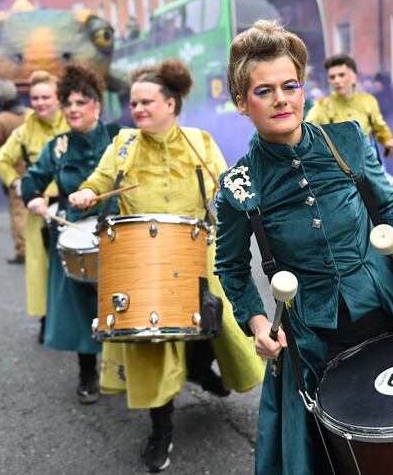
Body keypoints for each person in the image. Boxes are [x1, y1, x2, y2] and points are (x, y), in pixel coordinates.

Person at [215, 19, 393, 474]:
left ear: (303, 90)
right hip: (314, 340)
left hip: (387, 313)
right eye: (264, 91)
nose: (280, 99)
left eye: (289, 85)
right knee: (338, 456)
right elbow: (231, 267)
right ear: (241, 103)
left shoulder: (347, 140)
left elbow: (388, 205)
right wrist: (256, 323)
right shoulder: (239, 184)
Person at [69, 59, 263, 473]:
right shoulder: (122, 143)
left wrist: (250, 196)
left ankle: (200, 369)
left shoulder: (199, 141)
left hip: (195, 248)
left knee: (217, 323)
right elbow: (99, 182)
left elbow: (227, 185)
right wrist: (85, 193)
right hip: (141, 258)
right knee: (152, 344)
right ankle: (161, 429)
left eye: (147, 102)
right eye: (134, 103)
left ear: (171, 104)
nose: (138, 109)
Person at [19, 65, 120, 404]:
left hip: (116, 231)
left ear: (97, 105)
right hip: (73, 234)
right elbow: (32, 179)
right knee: (81, 307)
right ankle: (87, 370)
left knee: (122, 302)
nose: (73, 109)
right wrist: (33, 198)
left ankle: (125, 367)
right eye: (68, 103)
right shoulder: (58, 147)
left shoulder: (120, 138)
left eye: (81, 101)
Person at [0, 71, 69, 342]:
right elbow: (1, 159)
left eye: (46, 97)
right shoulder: (24, 129)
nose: (40, 103)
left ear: (58, 97)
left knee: (77, 266)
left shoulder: (73, 122)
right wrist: (16, 182)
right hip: (39, 210)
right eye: (35, 98)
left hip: (73, 208)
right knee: (42, 268)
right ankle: (46, 319)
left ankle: (80, 321)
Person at [305, 53, 393, 156]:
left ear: (354, 77)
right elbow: (306, 133)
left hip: (366, 163)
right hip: (337, 165)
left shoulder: (368, 101)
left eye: (341, 75)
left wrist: (388, 141)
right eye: (332, 77)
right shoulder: (321, 106)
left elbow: (380, 128)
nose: (337, 80)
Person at [0, 81, 28, 264]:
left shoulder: (0, 121)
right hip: (40, 172)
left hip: (15, 175)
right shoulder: (31, 114)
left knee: (18, 213)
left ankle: (23, 251)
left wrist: (6, 165)